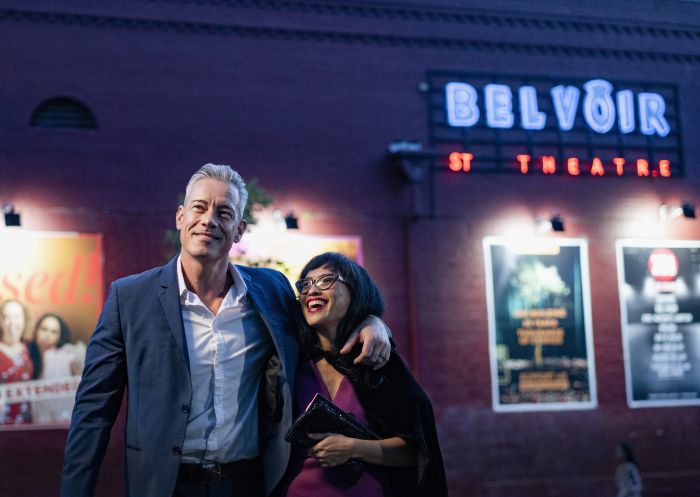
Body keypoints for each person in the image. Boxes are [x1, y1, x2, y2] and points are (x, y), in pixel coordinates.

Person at [61, 164, 391, 497]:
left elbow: (324, 327)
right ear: (180, 217)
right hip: (163, 485)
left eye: (224, 212)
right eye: (199, 207)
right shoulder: (129, 298)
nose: (208, 220)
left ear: (239, 230)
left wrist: (373, 321)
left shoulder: (271, 290)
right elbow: (93, 411)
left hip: (247, 484)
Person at [276, 252, 448, 497]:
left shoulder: (374, 361)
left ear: (355, 293)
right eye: (307, 283)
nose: (312, 290)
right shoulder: (289, 360)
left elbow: (417, 449)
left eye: (326, 280)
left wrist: (353, 448)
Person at [28, 313, 85, 423]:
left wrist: (80, 350)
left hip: (63, 420)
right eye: (44, 329)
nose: (48, 334)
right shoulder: (26, 354)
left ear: (60, 336)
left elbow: (80, 365)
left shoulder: (67, 354)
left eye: (54, 332)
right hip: (35, 421)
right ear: (36, 331)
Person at [0, 299, 34, 425]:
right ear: (1, 321)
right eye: (7, 317)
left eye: (17, 317)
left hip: (28, 424)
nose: (12, 322)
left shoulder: (32, 350)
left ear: (25, 320)